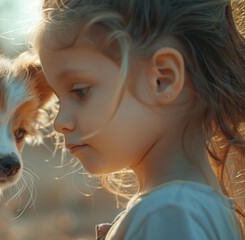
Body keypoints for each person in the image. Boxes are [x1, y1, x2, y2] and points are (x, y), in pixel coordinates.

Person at [33, 0, 245, 239]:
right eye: (59, 100)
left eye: (80, 91)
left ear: (163, 79)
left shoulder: (170, 214)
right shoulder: (198, 209)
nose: (59, 122)